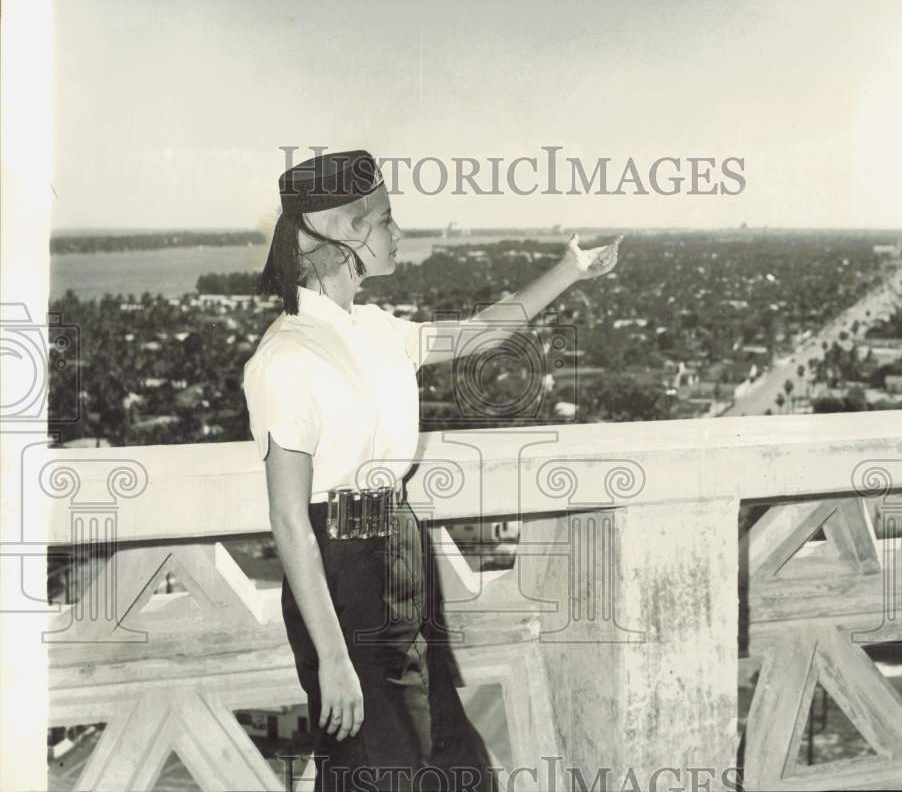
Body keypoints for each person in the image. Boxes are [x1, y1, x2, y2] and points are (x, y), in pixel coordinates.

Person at [243, 149, 621, 791]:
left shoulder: (376, 329)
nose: (400, 233)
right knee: (382, 767)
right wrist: (334, 659)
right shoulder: (285, 357)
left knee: (429, 763)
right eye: (386, 220)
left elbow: (478, 334)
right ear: (342, 232)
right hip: (344, 577)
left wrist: (569, 269)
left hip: (399, 554)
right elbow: (288, 518)